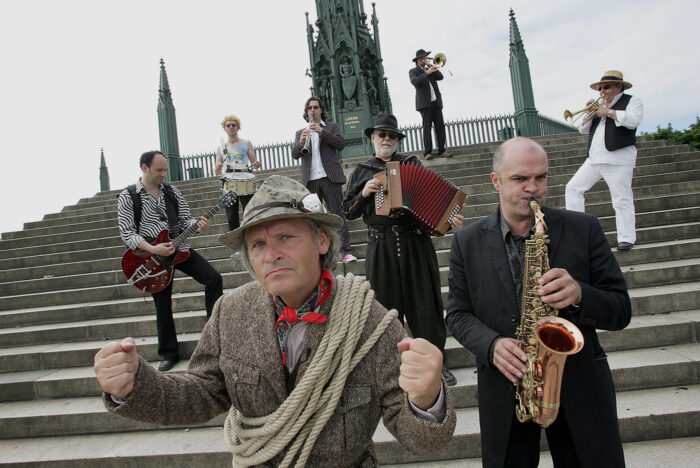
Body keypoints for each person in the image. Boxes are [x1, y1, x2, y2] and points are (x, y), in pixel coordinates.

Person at [96, 175, 456, 467]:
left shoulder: (370, 322)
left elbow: (420, 440)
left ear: (321, 241)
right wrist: (135, 386)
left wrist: (427, 400)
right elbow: (202, 394)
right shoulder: (230, 313)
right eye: (257, 244)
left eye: (286, 236)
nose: (271, 255)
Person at [446, 137, 631, 467]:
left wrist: (580, 294)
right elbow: (457, 315)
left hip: (580, 387)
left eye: (541, 178)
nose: (533, 188)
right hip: (506, 389)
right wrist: (491, 345)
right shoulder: (466, 241)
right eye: (520, 179)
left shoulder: (584, 228)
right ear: (496, 181)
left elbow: (620, 310)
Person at [343, 114, 463, 387]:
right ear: (372, 137)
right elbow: (346, 211)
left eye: (391, 135)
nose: (386, 139)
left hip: (414, 243)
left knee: (426, 306)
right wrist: (364, 194)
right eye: (381, 134)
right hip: (381, 245)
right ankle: (390, 367)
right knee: (385, 309)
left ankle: (434, 363)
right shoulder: (361, 171)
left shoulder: (411, 164)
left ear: (397, 139)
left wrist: (448, 218)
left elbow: (433, 202)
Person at [116, 151, 223, 372]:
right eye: (159, 170)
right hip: (152, 256)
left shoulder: (172, 191)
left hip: (179, 247)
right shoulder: (128, 196)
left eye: (165, 169)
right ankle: (168, 353)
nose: (164, 174)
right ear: (144, 168)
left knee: (213, 278)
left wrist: (199, 224)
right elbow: (127, 233)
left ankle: (214, 337)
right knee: (162, 303)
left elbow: (186, 219)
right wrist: (152, 248)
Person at [565, 70, 643, 251]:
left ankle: (626, 238)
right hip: (594, 158)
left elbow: (633, 120)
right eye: (600, 88)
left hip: (618, 158)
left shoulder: (632, 101)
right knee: (572, 188)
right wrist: (589, 113)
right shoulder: (599, 106)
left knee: (621, 198)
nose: (602, 91)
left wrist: (608, 112)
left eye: (606, 87)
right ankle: (578, 233)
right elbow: (582, 130)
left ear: (619, 86)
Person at [292, 96, 356, 263]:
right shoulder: (300, 133)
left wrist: (322, 132)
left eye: (316, 107)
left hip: (330, 177)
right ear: (306, 112)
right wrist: (301, 142)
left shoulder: (332, 127)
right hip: (310, 180)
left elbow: (340, 144)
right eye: (310, 108)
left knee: (337, 214)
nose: (313, 110)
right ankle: (316, 255)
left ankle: (345, 251)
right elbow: (295, 154)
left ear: (321, 110)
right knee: (313, 219)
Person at [215, 114, 262, 232]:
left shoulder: (246, 143)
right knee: (231, 216)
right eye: (228, 125)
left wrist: (256, 163)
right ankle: (236, 245)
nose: (231, 127)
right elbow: (217, 166)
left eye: (233, 125)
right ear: (224, 128)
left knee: (249, 211)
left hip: (245, 177)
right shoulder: (221, 148)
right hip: (229, 180)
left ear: (238, 127)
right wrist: (218, 167)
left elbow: (253, 161)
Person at [409, 49, 451, 160]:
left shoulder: (431, 69)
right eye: (423, 57)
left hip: (436, 102)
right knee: (427, 127)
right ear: (418, 59)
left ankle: (442, 150)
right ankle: (427, 152)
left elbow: (440, 77)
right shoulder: (413, 71)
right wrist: (426, 73)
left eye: (426, 57)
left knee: (440, 126)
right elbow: (415, 82)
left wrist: (431, 67)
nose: (425, 58)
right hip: (424, 104)